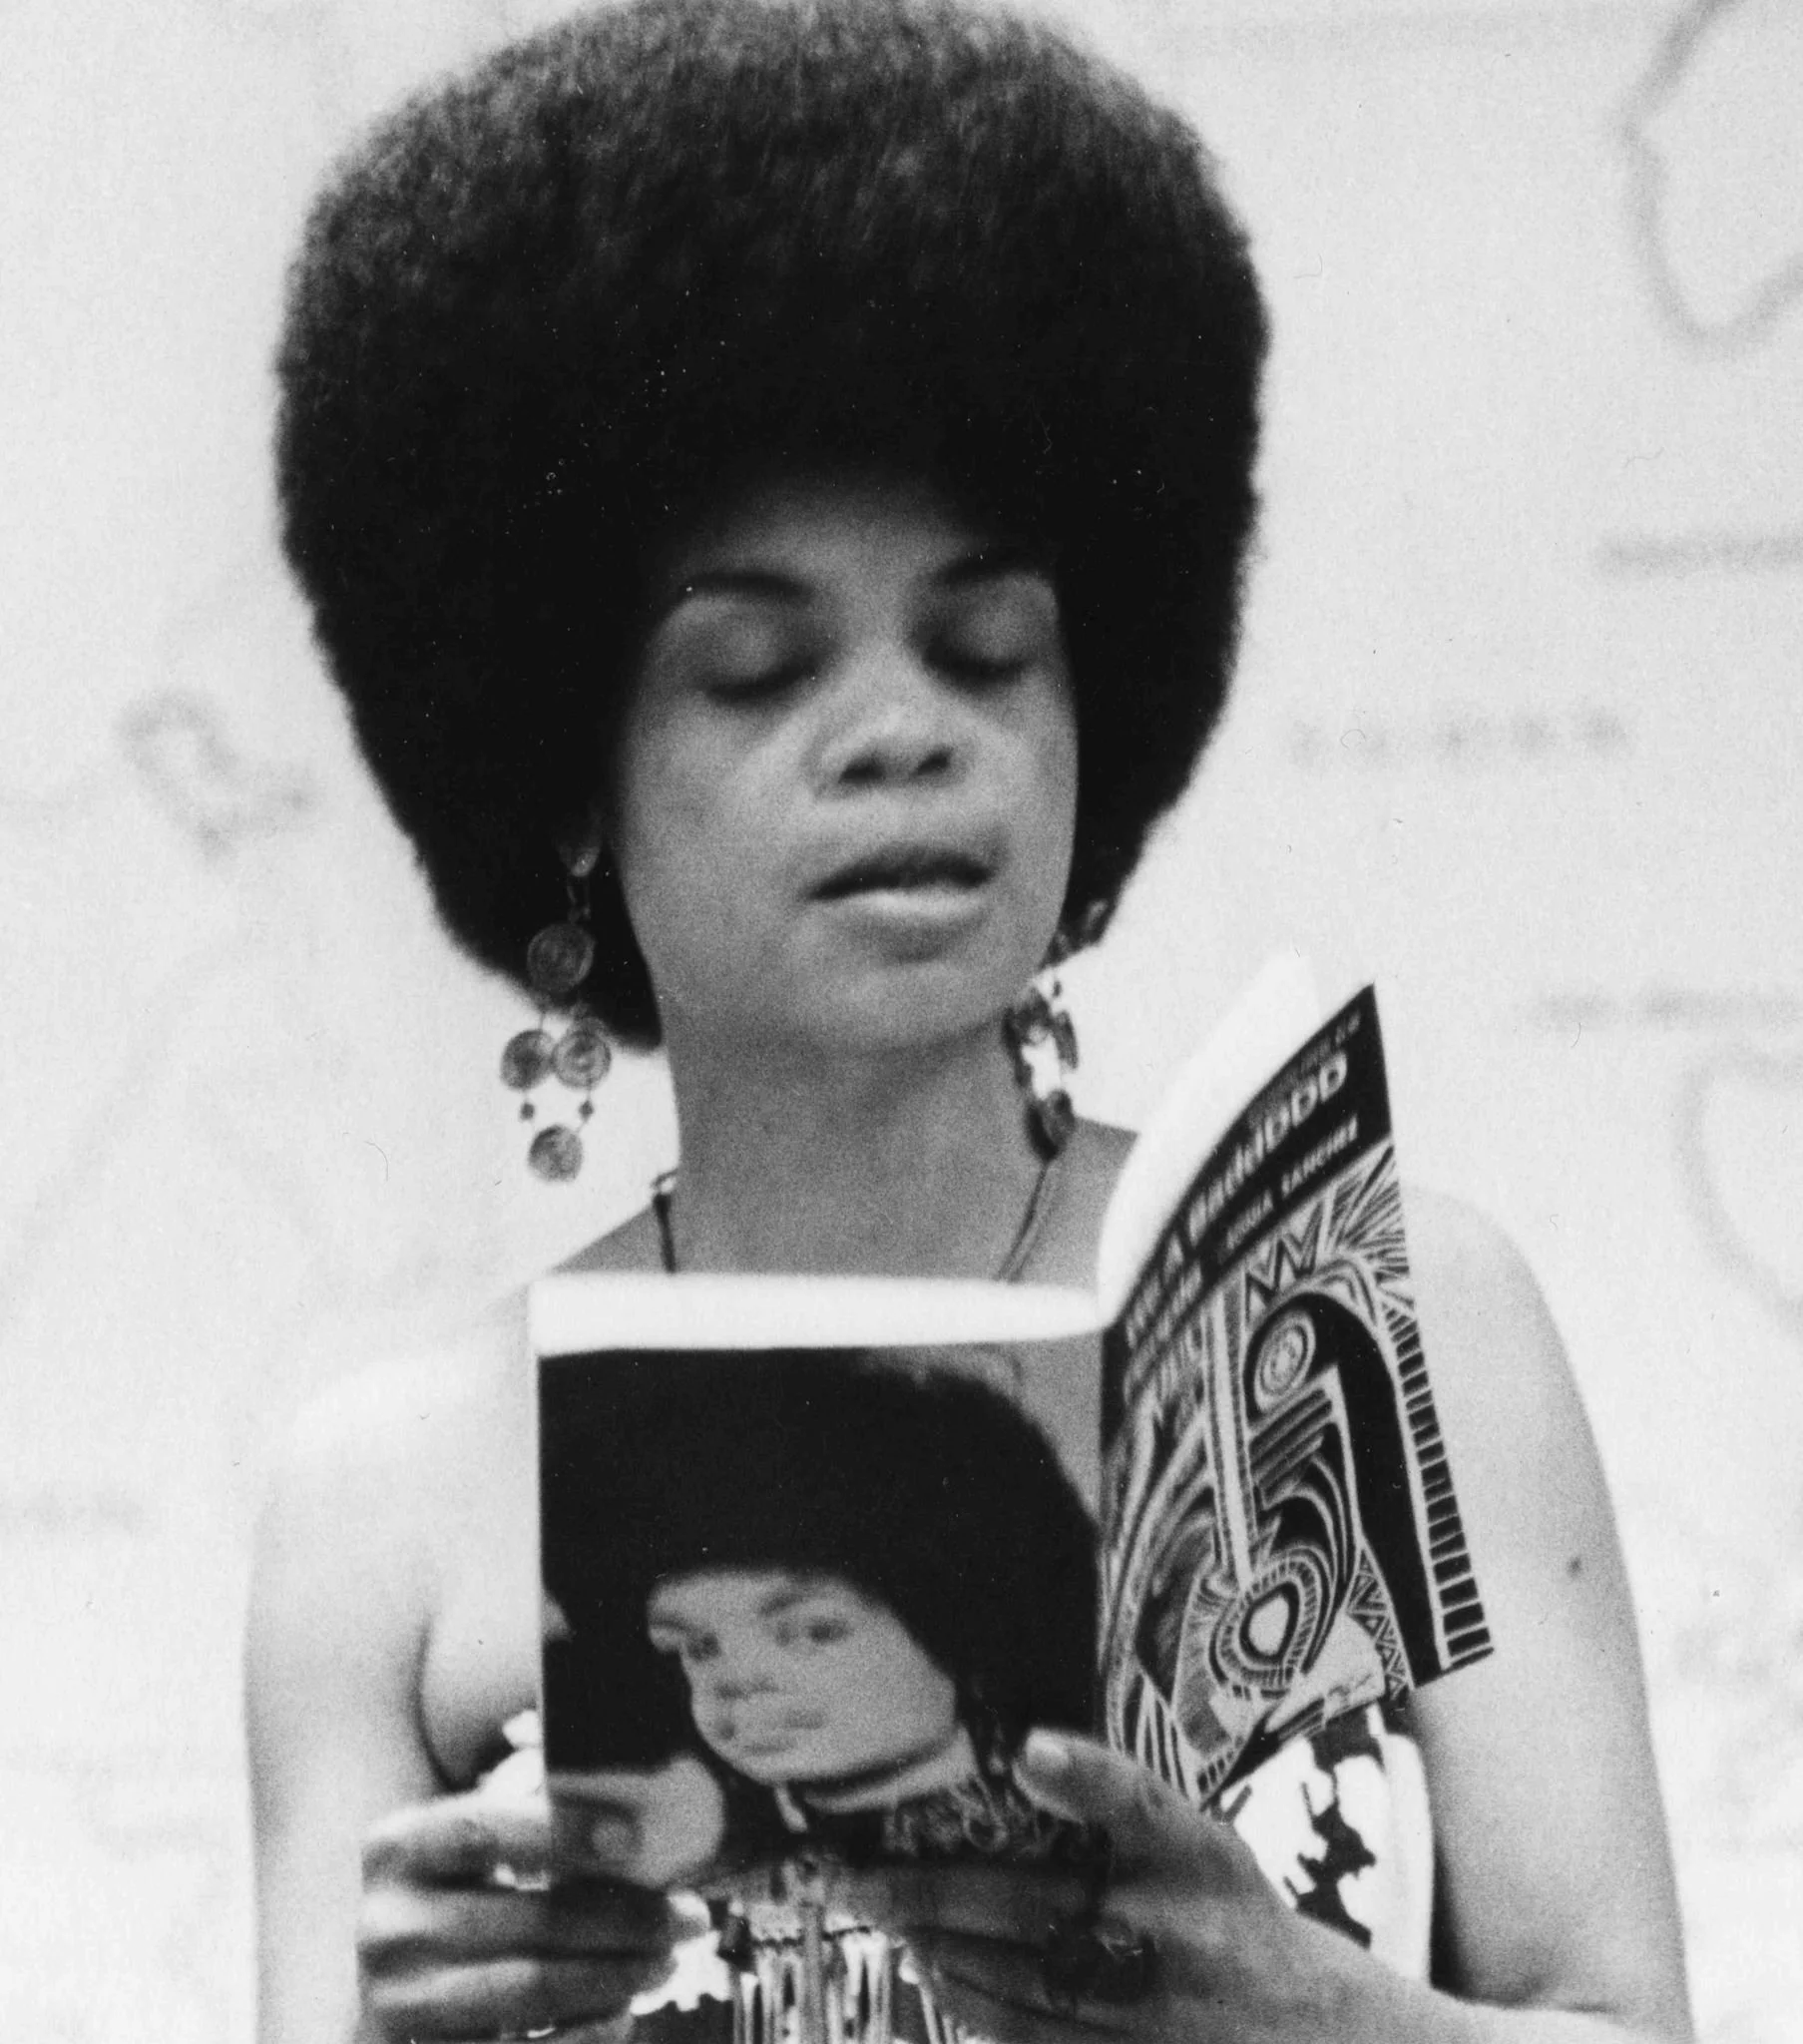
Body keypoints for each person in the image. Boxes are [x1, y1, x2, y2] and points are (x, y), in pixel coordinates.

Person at [245, 3, 1693, 2042]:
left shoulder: (1405, 1325)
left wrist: (1307, 2010)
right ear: (560, 776)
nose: (905, 732)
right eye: (755, 668)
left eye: (987, 646)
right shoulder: (377, 1506)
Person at [540, 1346, 1099, 1873]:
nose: (739, 1679)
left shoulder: (1071, 1790)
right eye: (699, 1647)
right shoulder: (714, 1823)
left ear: (970, 1630)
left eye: (813, 1631)